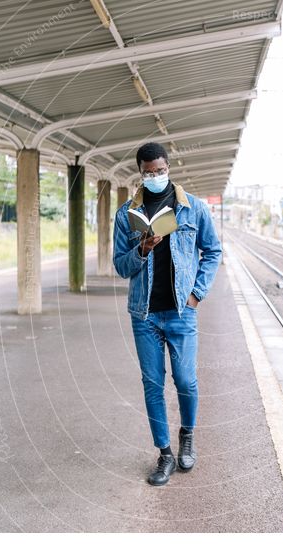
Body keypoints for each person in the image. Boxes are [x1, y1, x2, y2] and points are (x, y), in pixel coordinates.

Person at [113, 142, 222, 486]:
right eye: (150, 172)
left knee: (186, 380)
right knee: (152, 384)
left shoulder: (193, 209)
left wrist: (196, 294)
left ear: (168, 168)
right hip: (144, 314)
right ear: (141, 172)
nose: (157, 176)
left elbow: (213, 250)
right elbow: (120, 265)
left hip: (180, 311)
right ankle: (164, 454)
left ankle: (187, 435)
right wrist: (141, 250)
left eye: (161, 171)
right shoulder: (125, 214)